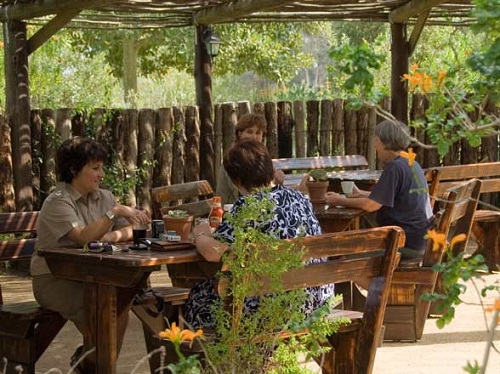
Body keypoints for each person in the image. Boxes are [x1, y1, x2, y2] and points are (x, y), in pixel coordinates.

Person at [185, 139, 334, 328]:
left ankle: (213, 356)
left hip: (273, 308)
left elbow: (215, 253)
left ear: (237, 180)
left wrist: (200, 234)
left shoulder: (249, 206)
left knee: (198, 299)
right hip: (314, 301)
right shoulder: (298, 198)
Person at [30, 137, 150, 372]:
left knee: (120, 300)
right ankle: (91, 364)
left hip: (93, 277)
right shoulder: (57, 202)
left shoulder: (103, 196)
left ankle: (89, 362)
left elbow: (130, 230)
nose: (102, 174)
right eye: (95, 168)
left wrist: (108, 236)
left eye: (101, 167)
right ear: (74, 169)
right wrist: (114, 213)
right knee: (109, 310)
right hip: (55, 280)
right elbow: (84, 237)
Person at [325, 119, 434, 261]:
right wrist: (361, 194)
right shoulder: (410, 162)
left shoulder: (394, 168)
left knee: (343, 259)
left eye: (376, 141)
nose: (375, 146)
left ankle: (382, 284)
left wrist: (339, 200)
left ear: (385, 142)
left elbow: (371, 205)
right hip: (420, 240)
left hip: (403, 244)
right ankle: (382, 284)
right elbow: (397, 197)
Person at [216, 113, 285, 205]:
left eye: (258, 133)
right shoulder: (233, 160)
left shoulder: (260, 158)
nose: (254, 137)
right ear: (239, 133)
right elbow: (248, 196)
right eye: (249, 132)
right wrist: (274, 184)